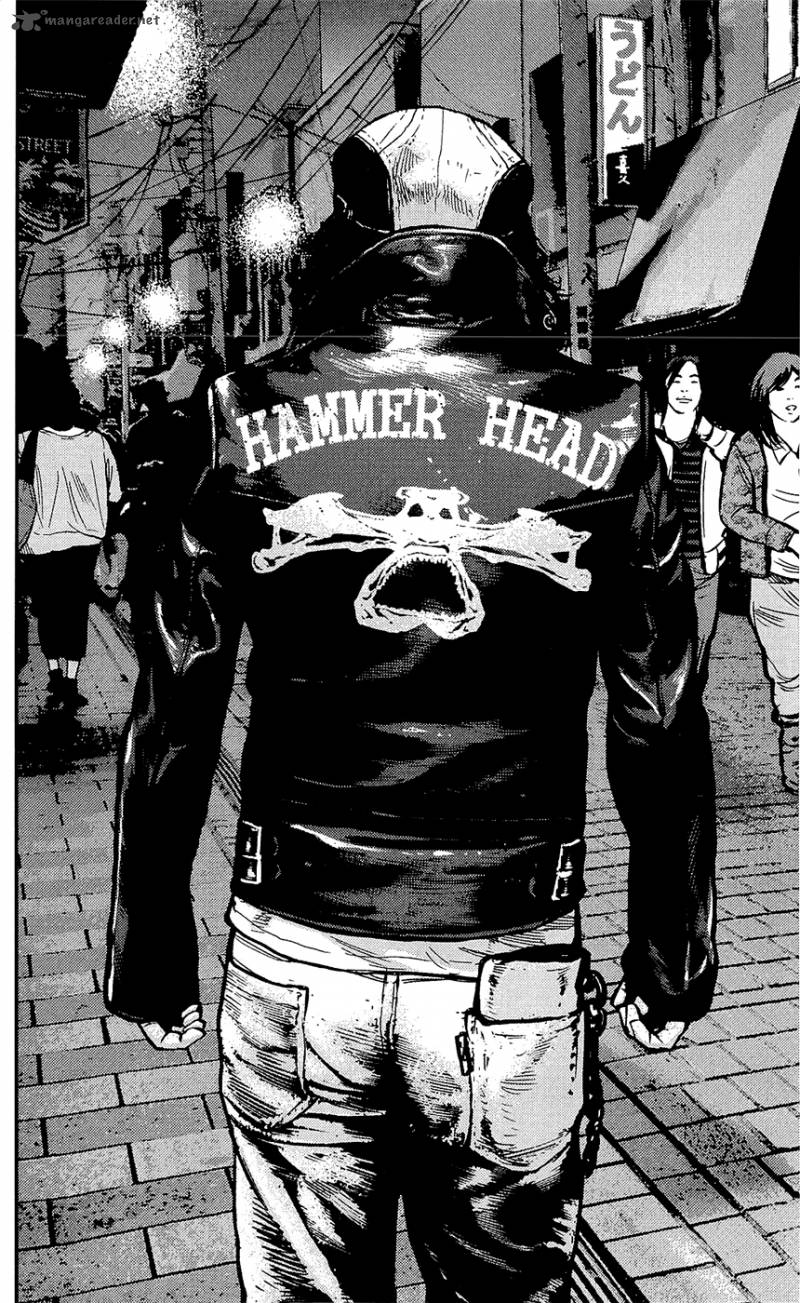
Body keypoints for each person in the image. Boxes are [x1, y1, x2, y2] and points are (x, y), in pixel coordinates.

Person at [105, 108, 717, 1303]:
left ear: (347, 233)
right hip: (512, 954)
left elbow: (176, 702)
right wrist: (670, 955)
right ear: (511, 236)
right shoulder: (609, 423)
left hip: (297, 943)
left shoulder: (243, 413)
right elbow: (657, 713)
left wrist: (149, 945)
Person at [722, 353, 799, 794]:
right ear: (764, 396)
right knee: (789, 674)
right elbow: (733, 510)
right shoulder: (749, 448)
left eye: (797, 388)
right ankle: (795, 762)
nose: (790, 398)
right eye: (780, 389)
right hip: (776, 583)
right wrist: (786, 537)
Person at [19, 377, 121, 712]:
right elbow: (115, 493)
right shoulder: (99, 442)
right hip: (83, 542)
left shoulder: (25, 441)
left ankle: (53, 672)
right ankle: (72, 680)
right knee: (76, 612)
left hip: (40, 542)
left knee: (47, 609)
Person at [654, 356, 735, 685]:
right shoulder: (648, 435)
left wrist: (709, 432)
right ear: (665, 387)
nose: (685, 389)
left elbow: (744, 458)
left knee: (700, 644)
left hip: (702, 561)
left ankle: (689, 708)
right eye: (677, 381)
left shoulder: (717, 442)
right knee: (663, 645)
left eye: (694, 381)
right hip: (660, 562)